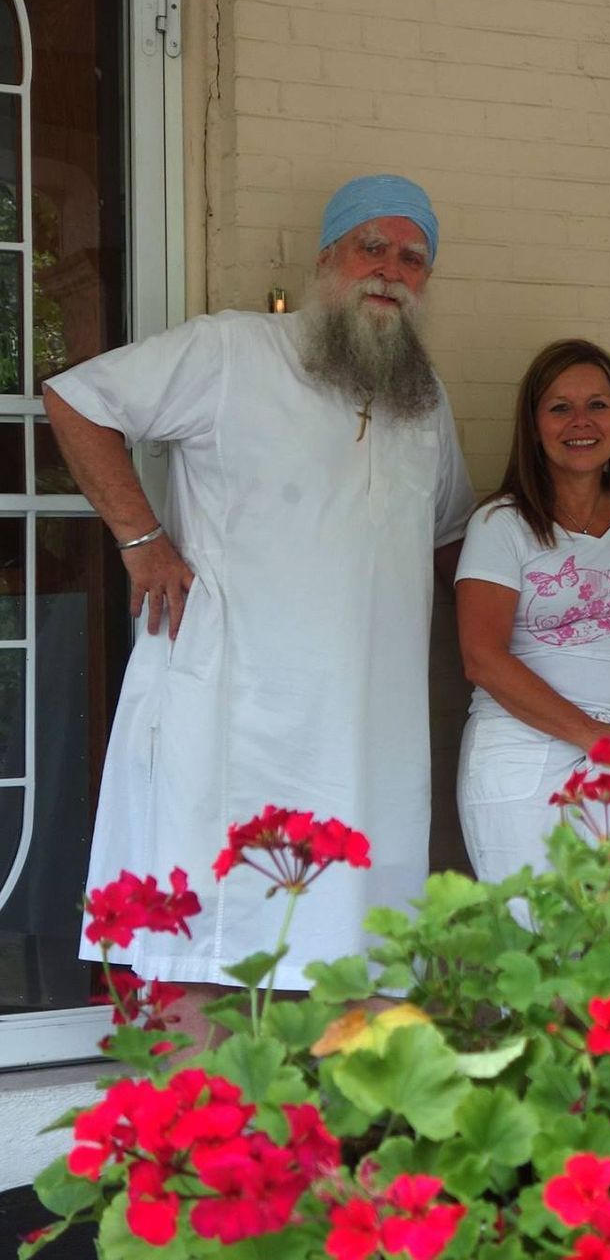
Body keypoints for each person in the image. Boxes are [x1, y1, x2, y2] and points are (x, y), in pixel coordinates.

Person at [44, 174, 476, 1030]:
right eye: (373, 247)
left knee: (358, 961)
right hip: (230, 717)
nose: (392, 270)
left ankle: (326, 1157)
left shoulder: (423, 400)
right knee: (204, 946)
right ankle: (190, 1152)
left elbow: (451, 541)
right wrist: (142, 540)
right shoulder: (233, 352)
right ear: (327, 258)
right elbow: (78, 399)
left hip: (368, 739)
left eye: (413, 258)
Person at [454, 340, 610, 881]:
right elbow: (481, 658)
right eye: (560, 407)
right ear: (534, 426)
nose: (581, 422)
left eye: (598, 405)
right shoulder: (500, 524)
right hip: (523, 748)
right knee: (534, 938)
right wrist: (593, 734)